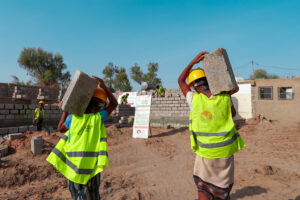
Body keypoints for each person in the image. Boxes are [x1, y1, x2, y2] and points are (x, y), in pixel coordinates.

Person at [178, 51, 245, 200]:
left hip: (205, 154)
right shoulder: (224, 97)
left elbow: (180, 81)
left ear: (194, 86)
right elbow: (232, 114)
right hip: (225, 153)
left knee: (204, 190)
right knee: (223, 191)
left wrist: (192, 62)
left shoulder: (193, 100)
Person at [46, 76, 118, 200]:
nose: (99, 107)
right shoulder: (97, 118)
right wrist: (103, 85)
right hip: (90, 170)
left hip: (73, 168)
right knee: (91, 196)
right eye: (99, 104)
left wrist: (66, 110)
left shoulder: (73, 118)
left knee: (76, 195)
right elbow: (114, 103)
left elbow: (60, 128)